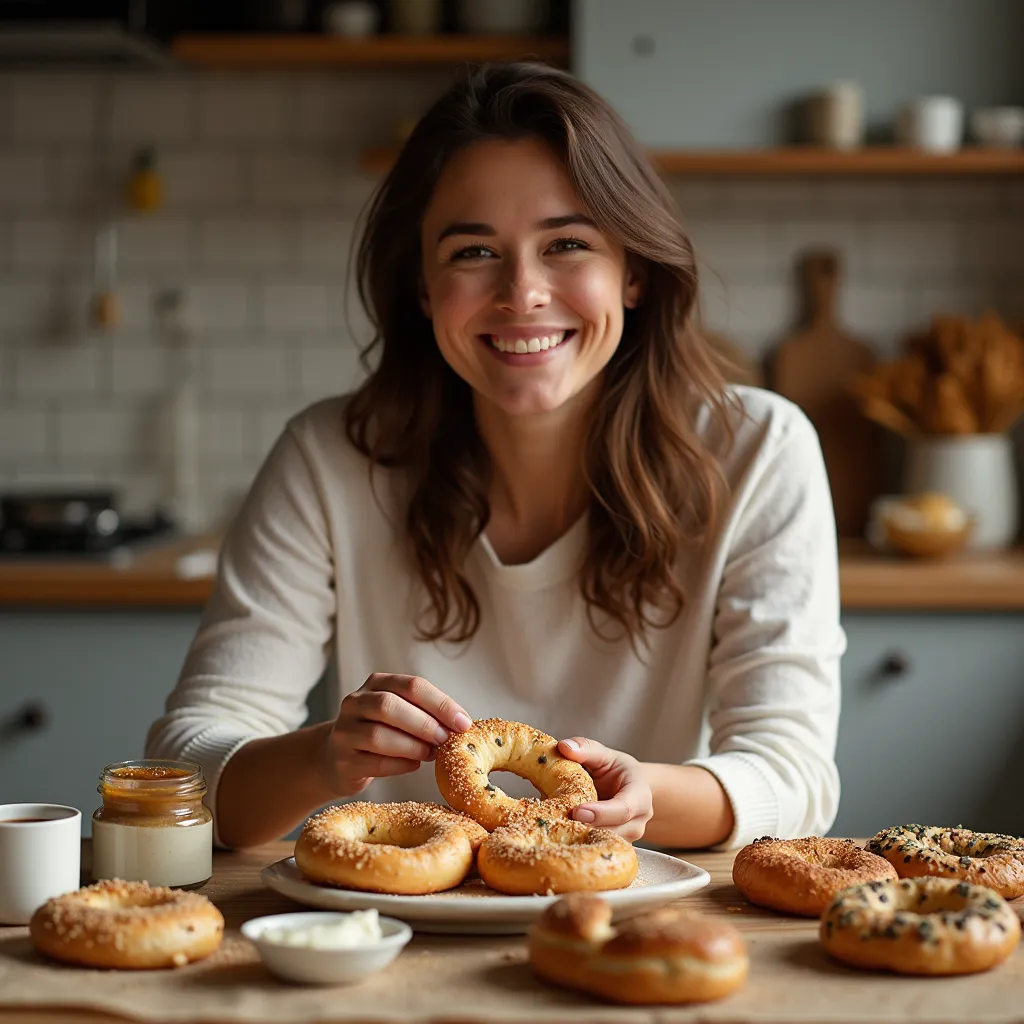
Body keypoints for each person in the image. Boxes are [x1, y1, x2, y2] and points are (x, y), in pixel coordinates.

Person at [146, 61, 844, 852]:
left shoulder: (757, 451)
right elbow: (181, 767)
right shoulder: (330, 461)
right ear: (422, 285)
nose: (522, 293)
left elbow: (795, 775)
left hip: (635, 919)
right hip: (395, 930)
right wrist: (322, 757)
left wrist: (648, 796)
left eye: (567, 244)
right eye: (474, 252)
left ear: (635, 273)